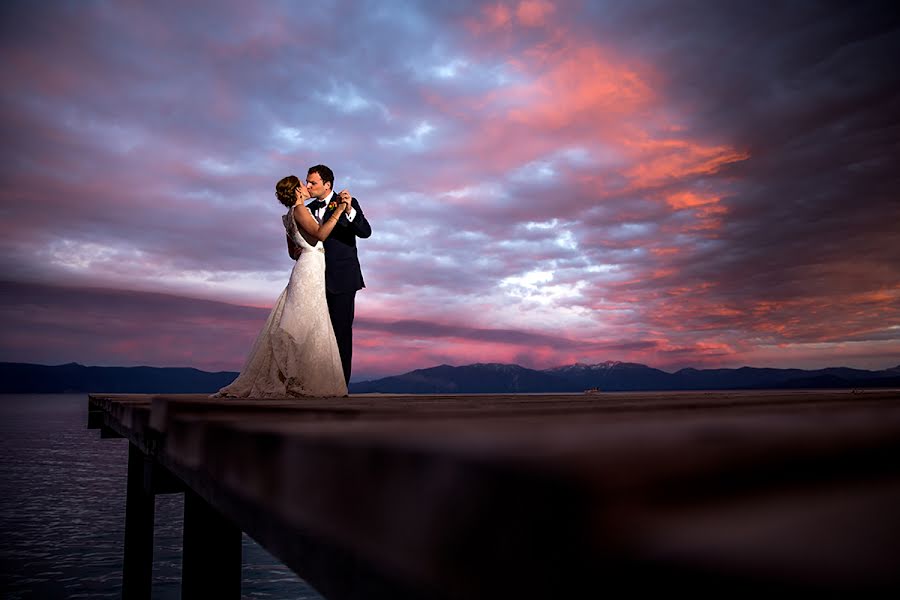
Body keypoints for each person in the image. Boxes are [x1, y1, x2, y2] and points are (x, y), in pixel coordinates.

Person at [213, 175, 351, 398]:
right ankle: (297, 378)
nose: (307, 187)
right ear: (297, 192)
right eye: (303, 184)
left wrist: (304, 248)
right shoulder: (300, 210)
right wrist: (339, 209)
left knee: (301, 321)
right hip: (310, 270)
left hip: (305, 266)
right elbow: (320, 234)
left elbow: (291, 253)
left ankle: (295, 375)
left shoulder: (288, 217)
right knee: (307, 322)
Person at [302, 165, 371, 386]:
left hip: (342, 277)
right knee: (314, 333)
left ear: (327, 185)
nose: (308, 186)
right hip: (313, 278)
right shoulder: (307, 208)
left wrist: (349, 210)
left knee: (341, 332)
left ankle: (340, 385)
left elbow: (366, 232)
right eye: (307, 182)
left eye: (312, 182)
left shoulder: (347, 202)